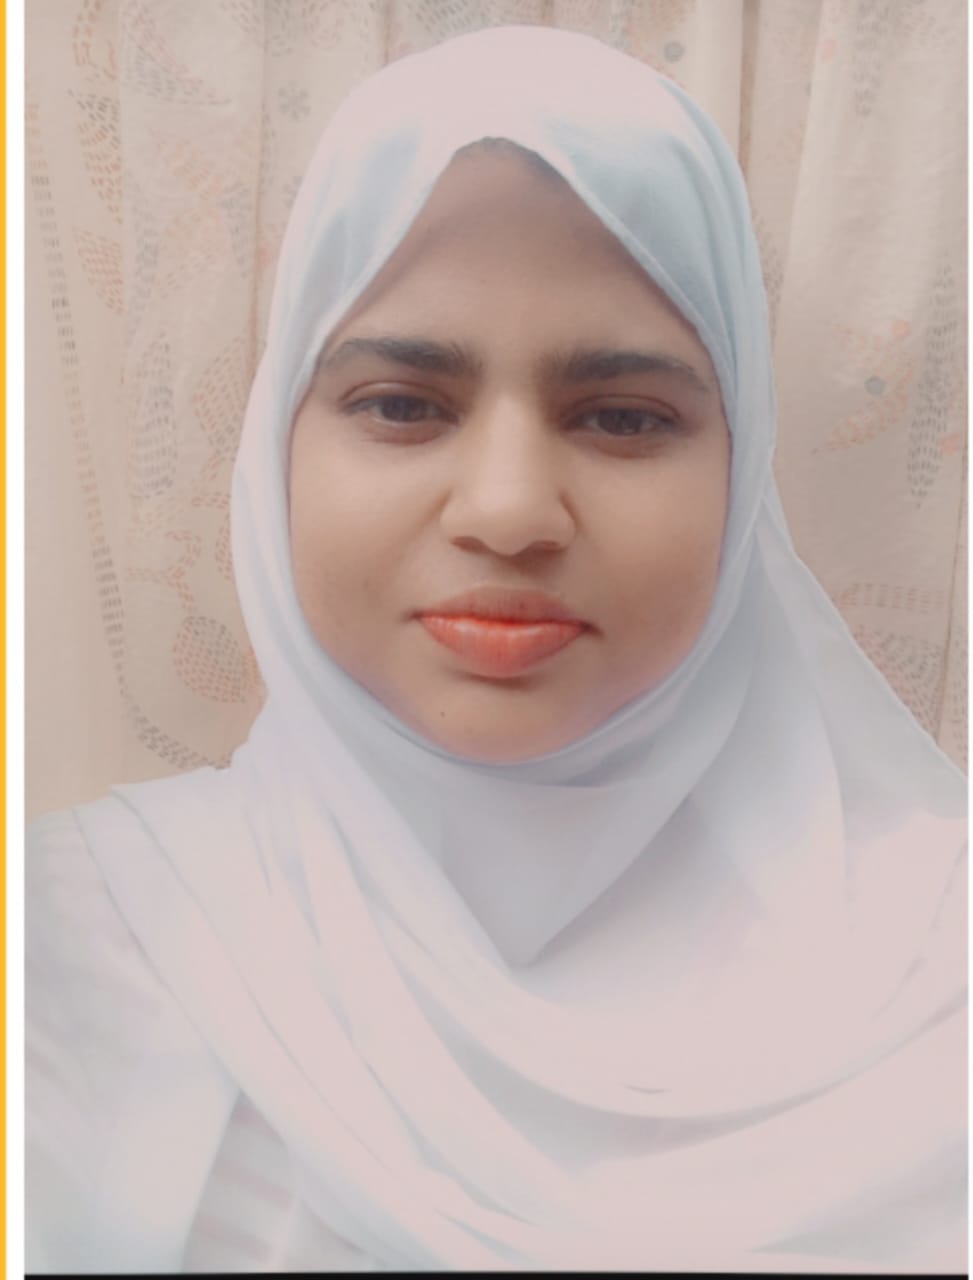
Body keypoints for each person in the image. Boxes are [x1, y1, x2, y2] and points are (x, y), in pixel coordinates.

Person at [26, 24, 966, 1274]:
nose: (511, 509)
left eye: (622, 417)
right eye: (401, 404)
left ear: (740, 471)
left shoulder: (938, 969)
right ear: (277, 447)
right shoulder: (79, 938)